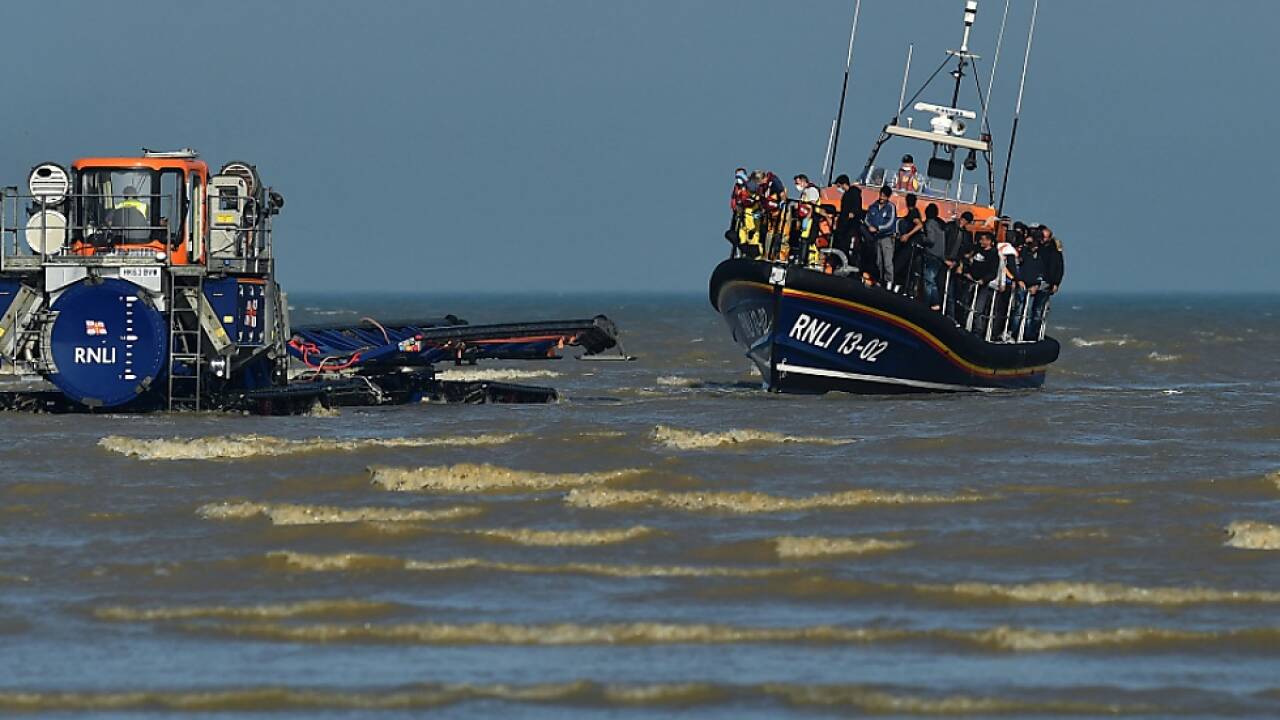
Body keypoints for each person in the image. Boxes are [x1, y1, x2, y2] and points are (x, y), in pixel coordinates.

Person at [961, 232, 999, 334]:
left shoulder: (994, 254)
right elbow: (967, 260)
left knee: (978, 308)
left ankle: (978, 329)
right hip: (970, 281)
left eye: (983, 239)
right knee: (965, 303)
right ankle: (963, 324)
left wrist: (984, 280)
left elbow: (993, 272)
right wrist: (966, 272)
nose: (981, 241)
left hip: (982, 285)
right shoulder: (976, 250)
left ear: (989, 241)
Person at [863, 185, 898, 287]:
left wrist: (878, 228)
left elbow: (890, 223)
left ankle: (889, 282)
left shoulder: (891, 207)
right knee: (879, 262)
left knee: (887, 262)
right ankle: (880, 280)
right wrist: (870, 227)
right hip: (876, 237)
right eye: (881, 195)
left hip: (887, 237)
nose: (882, 198)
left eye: (884, 196)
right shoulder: (873, 206)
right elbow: (867, 219)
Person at [920, 203, 948, 310]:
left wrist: (922, 237)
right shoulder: (940, 224)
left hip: (931, 255)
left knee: (928, 281)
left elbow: (931, 240)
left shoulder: (929, 223)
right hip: (940, 257)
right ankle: (935, 303)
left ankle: (929, 304)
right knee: (932, 280)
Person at [894, 192, 923, 292]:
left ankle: (896, 286)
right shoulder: (912, 212)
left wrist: (907, 235)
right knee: (904, 267)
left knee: (899, 264)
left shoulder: (914, 213)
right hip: (907, 244)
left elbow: (919, 225)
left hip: (910, 244)